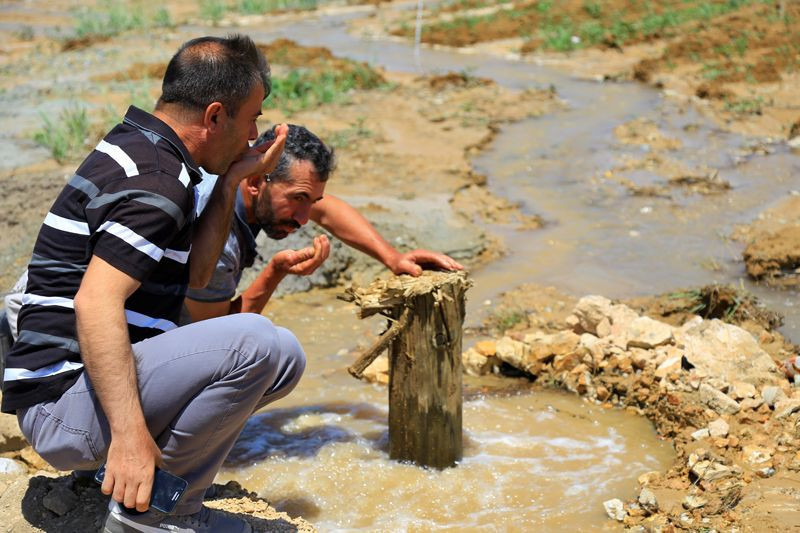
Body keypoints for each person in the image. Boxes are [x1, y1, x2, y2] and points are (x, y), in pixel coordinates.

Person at [1, 35, 301, 533]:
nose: (253, 136)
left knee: (284, 358)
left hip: (73, 396)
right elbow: (96, 302)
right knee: (257, 343)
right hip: (62, 406)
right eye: (250, 120)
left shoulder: (148, 151)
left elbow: (197, 277)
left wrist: (230, 183)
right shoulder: (155, 180)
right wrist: (130, 439)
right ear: (214, 116)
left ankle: (143, 487)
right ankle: (158, 514)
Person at [184, 123, 464, 322]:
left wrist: (392, 258)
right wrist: (276, 272)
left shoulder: (231, 172)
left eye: (311, 201)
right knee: (270, 351)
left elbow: (328, 210)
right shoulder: (219, 242)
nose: (304, 219)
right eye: (299, 198)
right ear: (256, 181)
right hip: (154, 346)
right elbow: (219, 332)